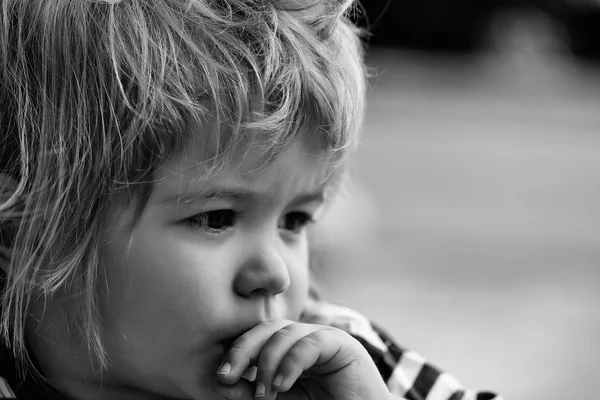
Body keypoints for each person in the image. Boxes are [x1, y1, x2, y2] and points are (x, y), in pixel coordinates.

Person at [0, 0, 503, 399]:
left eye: (296, 220)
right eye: (217, 218)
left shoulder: (340, 361)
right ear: (22, 230)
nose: (277, 275)